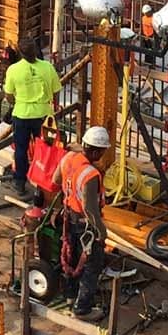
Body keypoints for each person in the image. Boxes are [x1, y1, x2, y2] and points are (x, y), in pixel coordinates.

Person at [58, 126, 116, 318]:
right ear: (96, 151)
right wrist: (101, 231)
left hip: (69, 217)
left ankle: (69, 296)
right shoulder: (90, 175)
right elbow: (90, 209)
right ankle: (82, 308)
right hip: (85, 226)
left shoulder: (67, 159)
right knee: (92, 265)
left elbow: (55, 178)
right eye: (102, 151)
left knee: (71, 257)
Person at [2, 37, 60, 200]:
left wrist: (17, 101)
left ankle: (20, 182)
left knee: (21, 149)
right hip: (43, 114)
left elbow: (9, 95)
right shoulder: (47, 68)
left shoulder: (13, 70)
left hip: (21, 114)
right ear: (35, 50)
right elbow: (56, 91)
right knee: (45, 150)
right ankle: (42, 183)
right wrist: (54, 106)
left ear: (20, 52)